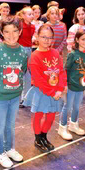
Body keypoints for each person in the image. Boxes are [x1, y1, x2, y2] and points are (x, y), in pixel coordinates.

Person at [0, 15, 28, 168]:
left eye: (14, 31)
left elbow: (22, 70)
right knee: (0, 125)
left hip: (15, 96)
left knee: (10, 124)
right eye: (7, 32)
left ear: (20, 31)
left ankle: (10, 148)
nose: (11, 35)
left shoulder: (23, 52)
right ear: (1, 32)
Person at [24, 24, 67, 152]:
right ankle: (38, 139)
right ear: (37, 37)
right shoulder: (34, 56)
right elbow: (38, 79)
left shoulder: (55, 52)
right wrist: (52, 91)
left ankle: (44, 136)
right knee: (38, 115)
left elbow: (61, 72)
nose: (46, 40)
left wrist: (60, 88)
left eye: (49, 37)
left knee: (51, 116)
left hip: (55, 92)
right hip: (42, 91)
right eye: (43, 37)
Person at [59, 30, 85, 140]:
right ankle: (62, 127)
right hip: (71, 86)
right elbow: (65, 70)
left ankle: (73, 124)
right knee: (67, 107)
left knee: (77, 107)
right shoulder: (73, 54)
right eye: (83, 39)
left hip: (81, 86)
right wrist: (65, 85)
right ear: (77, 40)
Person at [16, 6, 35, 107]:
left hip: (29, 50)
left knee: (28, 74)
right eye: (29, 14)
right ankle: (17, 99)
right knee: (19, 74)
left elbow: (30, 39)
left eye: (32, 14)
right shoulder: (19, 25)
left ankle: (25, 99)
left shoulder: (32, 27)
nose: (32, 16)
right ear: (23, 15)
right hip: (20, 50)